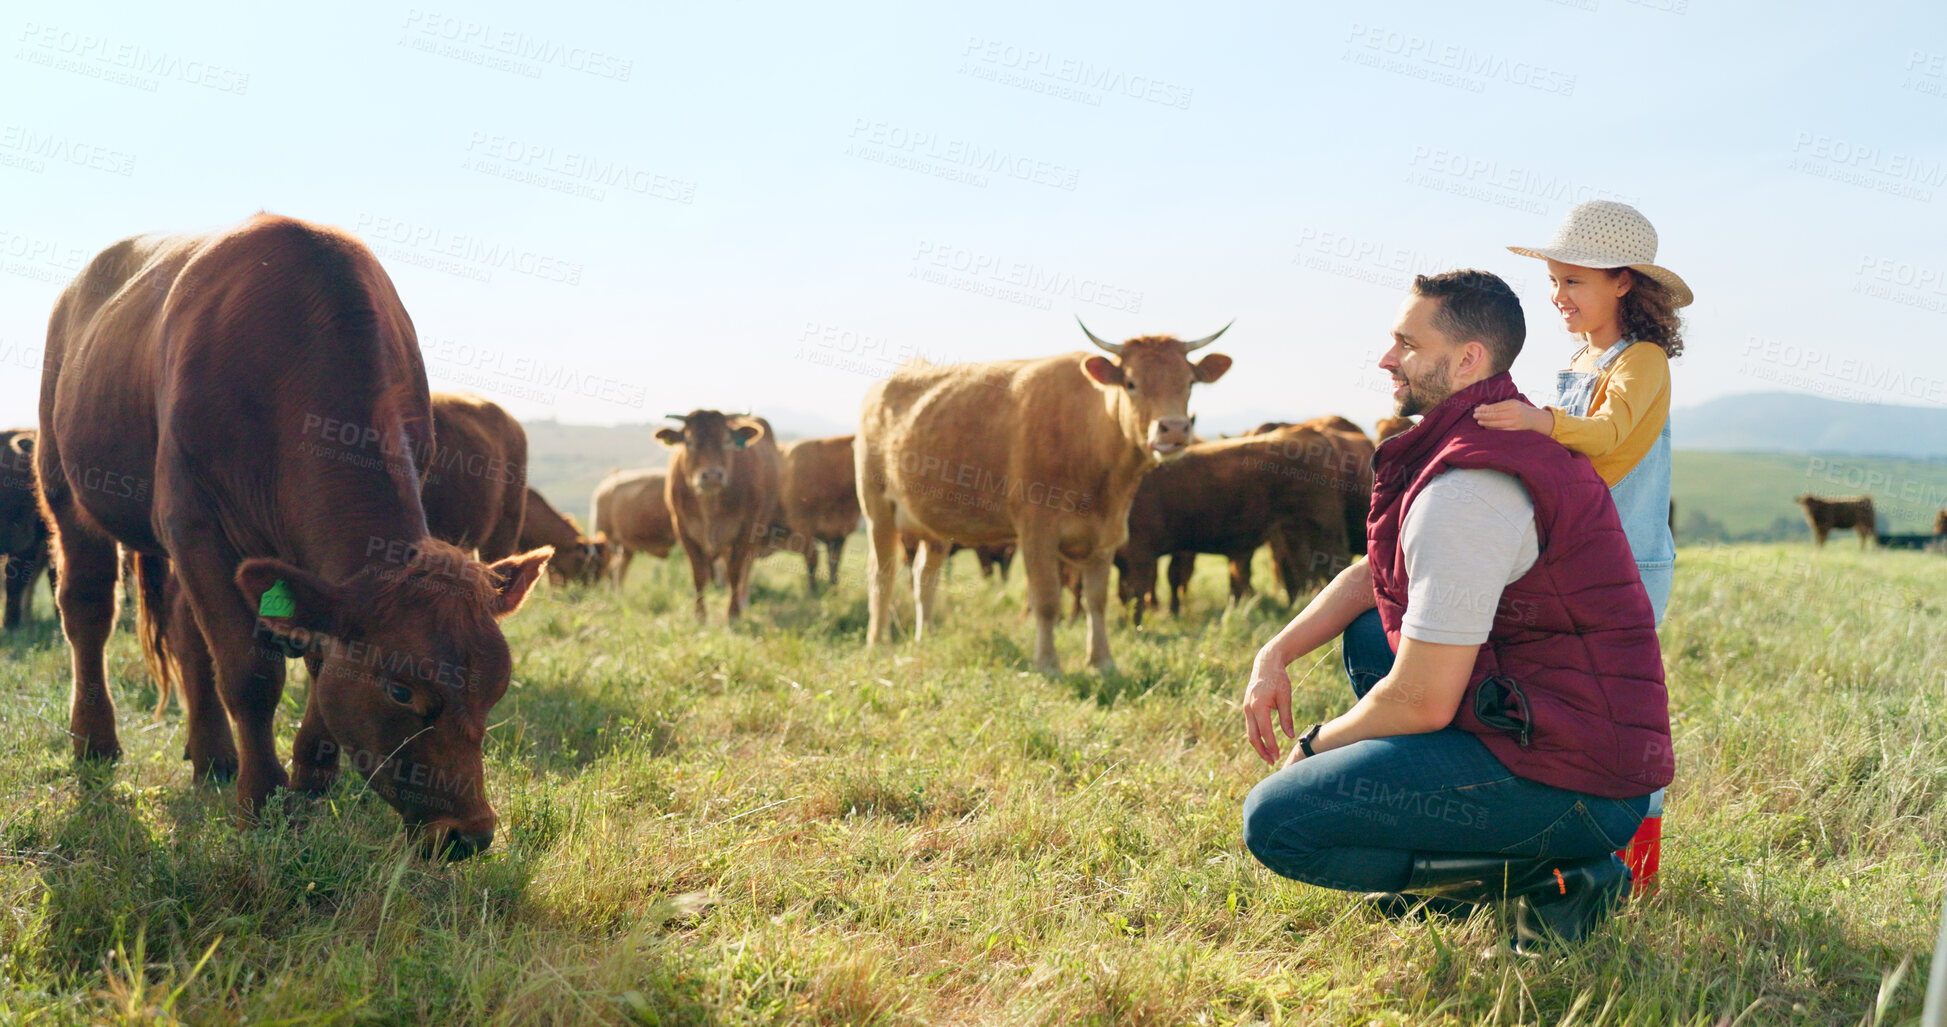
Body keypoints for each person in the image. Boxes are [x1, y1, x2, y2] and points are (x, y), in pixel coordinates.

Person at [1239, 269, 1673, 955]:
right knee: (1368, 634)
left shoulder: (1470, 488)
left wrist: (1315, 745)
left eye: (1406, 344)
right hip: (1554, 720)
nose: (1386, 359)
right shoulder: (1477, 437)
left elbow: (1420, 701)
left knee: (1279, 820)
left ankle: (1552, 873)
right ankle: (1487, 845)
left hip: (1578, 780)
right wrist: (1276, 653)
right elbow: (1378, 574)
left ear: (1468, 358)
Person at [1472, 200, 1690, 874]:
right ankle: (1570, 847)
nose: (1556, 296)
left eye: (1573, 281)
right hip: (1579, 558)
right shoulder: (1583, 357)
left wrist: (1534, 424)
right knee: (1570, 702)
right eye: (1555, 280)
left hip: (1627, 561)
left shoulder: (1642, 360)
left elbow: (1607, 439)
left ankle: (1635, 863)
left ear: (1623, 282)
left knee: (1622, 710)